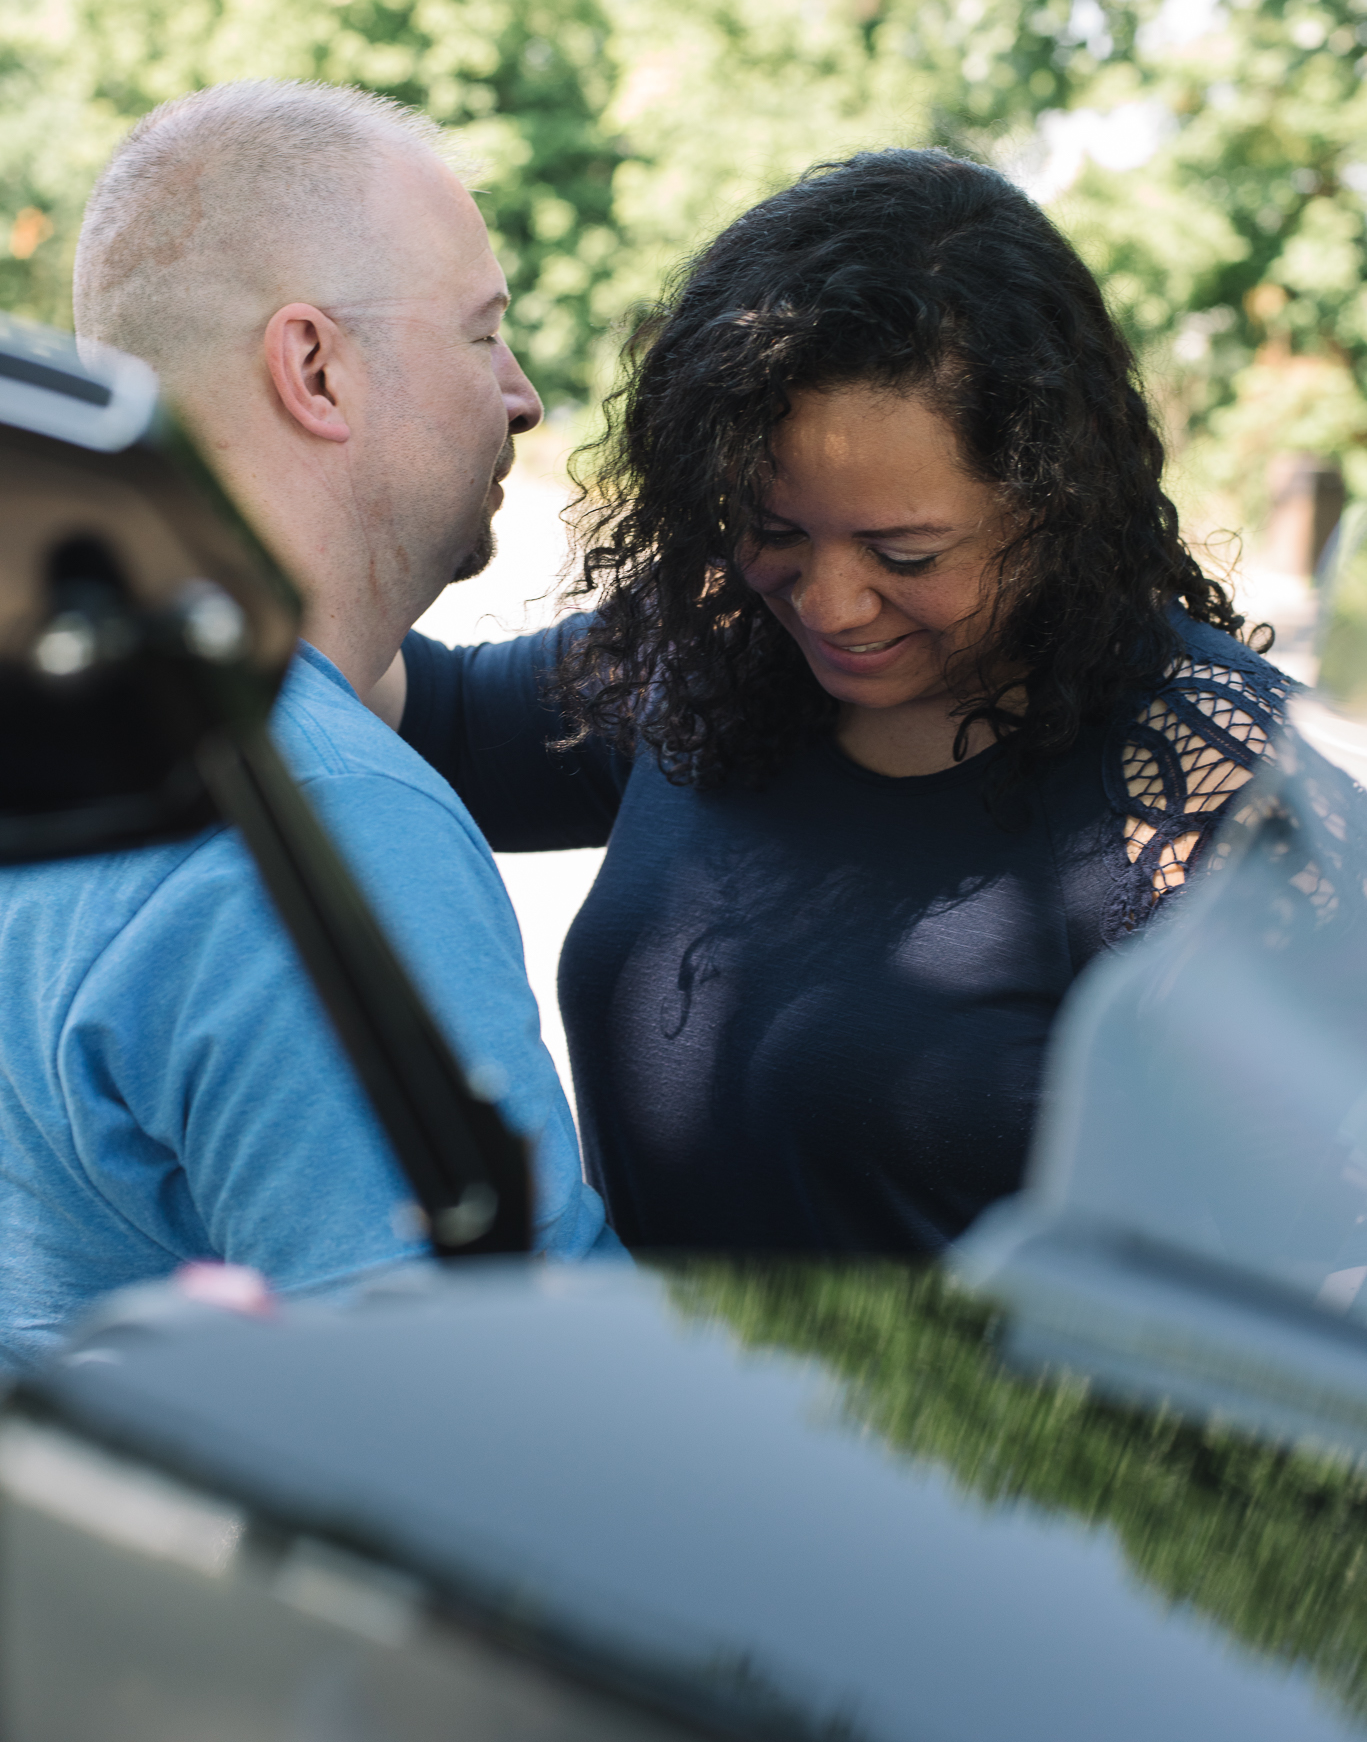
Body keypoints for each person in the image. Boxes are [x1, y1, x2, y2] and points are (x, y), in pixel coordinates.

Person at [375, 148, 1294, 1255]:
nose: (829, 602)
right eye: (772, 529)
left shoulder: (1213, 788)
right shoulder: (714, 650)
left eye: (903, 552)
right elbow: (423, 716)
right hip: (634, 1418)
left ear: (1055, 502)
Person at [0, 78, 615, 1371]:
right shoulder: (322, 815)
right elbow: (507, 1416)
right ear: (314, 367)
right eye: (480, 332)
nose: (522, 397)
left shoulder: (65, 720)